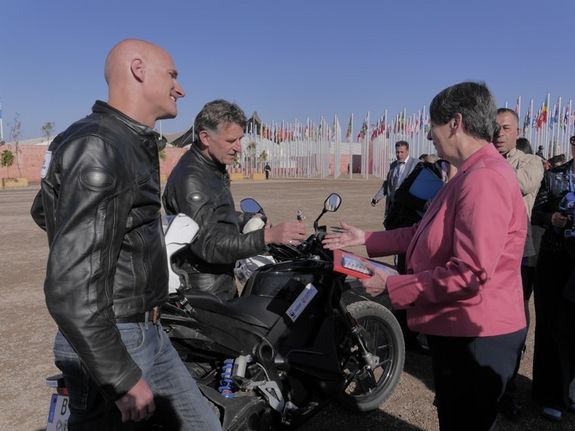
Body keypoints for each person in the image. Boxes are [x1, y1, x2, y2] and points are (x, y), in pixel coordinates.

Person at [29, 40, 221, 430]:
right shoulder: (100, 144)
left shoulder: (123, 140)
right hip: (114, 336)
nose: (180, 88)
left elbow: (45, 211)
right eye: (173, 74)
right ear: (138, 69)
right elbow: (70, 290)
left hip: (146, 328)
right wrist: (120, 376)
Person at [324, 82, 527, 431]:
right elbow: (425, 234)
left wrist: (395, 284)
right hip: (464, 328)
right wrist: (366, 238)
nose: (429, 136)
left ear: (455, 122)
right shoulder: (467, 173)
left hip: (476, 335)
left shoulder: (482, 179)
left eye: (432, 125)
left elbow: (470, 274)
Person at [162, 99, 306, 300]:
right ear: (205, 137)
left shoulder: (211, 168)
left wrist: (247, 219)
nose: (238, 147)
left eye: (240, 139)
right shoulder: (192, 179)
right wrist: (267, 237)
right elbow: (207, 245)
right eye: (231, 141)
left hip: (218, 281)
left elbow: (215, 216)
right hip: (205, 292)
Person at [494, 108, 544, 419]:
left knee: (513, 323)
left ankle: (508, 390)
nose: (499, 133)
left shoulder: (530, 162)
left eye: (506, 128)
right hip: (486, 251)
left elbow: (518, 186)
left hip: (518, 254)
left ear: (517, 132)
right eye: (495, 128)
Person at [531, 135, 575, 421]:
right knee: (549, 327)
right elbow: (535, 212)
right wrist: (552, 219)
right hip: (554, 261)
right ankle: (548, 394)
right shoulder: (554, 176)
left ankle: (569, 392)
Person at [370, 140, 418, 225]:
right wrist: (377, 197)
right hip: (393, 207)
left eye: (402, 152)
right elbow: (387, 184)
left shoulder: (416, 164)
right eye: (397, 152)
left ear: (407, 151)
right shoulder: (393, 165)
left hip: (408, 208)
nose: (399, 155)